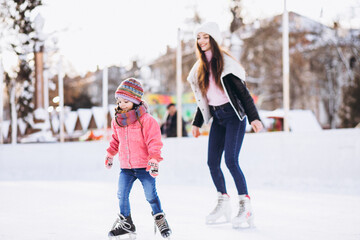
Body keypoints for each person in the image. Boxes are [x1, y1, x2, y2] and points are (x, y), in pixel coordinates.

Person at [187, 22, 263, 228]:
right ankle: (223, 201)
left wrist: (254, 118)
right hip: (218, 118)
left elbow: (244, 95)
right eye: (198, 37)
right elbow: (203, 100)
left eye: (205, 36)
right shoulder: (200, 68)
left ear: (213, 38)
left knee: (231, 160)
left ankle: (245, 206)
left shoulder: (226, 64)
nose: (201, 41)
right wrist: (197, 123)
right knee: (212, 163)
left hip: (234, 116)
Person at [105, 78, 172, 239]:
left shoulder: (146, 120)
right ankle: (127, 224)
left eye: (126, 101)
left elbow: (154, 141)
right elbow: (115, 140)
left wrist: (154, 159)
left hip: (144, 166)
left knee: (150, 195)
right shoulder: (117, 121)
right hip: (126, 168)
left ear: (135, 101)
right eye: (119, 101)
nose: (121, 104)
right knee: (122, 194)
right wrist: (110, 154)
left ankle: (160, 220)